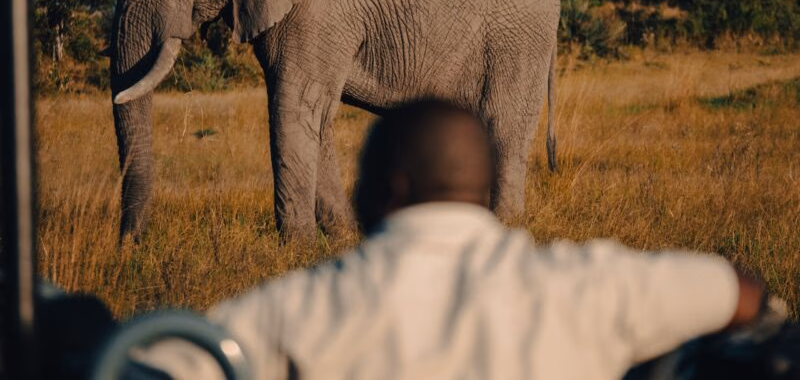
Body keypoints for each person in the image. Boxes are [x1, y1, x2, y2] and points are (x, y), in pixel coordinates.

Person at [142, 99, 775, 380]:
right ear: (487, 186)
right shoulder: (593, 285)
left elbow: (157, 368)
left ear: (383, 191)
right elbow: (739, 293)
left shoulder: (288, 311)